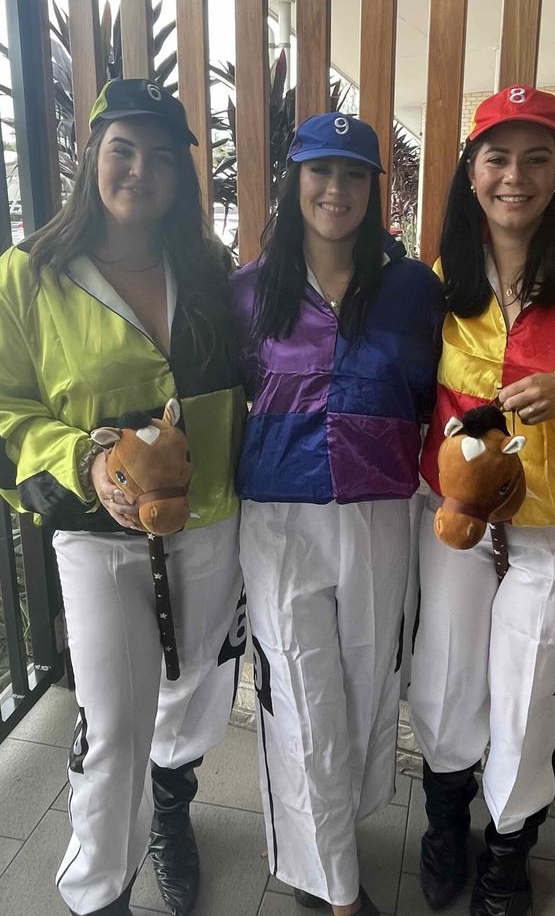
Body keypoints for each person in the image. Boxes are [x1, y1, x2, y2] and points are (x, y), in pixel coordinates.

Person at [0, 78, 247, 916]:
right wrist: (81, 460)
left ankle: (170, 816)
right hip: (98, 539)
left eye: (159, 156)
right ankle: (99, 893)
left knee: (196, 694)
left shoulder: (209, 268)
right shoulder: (29, 275)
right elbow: (5, 407)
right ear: (91, 160)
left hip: (210, 518)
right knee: (111, 728)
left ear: (181, 172)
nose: (139, 169)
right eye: (121, 150)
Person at [408, 85, 555, 916]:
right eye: (497, 157)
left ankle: (508, 854)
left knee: (534, 695)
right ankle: (445, 826)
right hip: (453, 524)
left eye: (536, 157)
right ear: (470, 172)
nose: (516, 175)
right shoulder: (443, 278)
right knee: (442, 679)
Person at [230, 112, 444, 916]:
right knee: (302, 691)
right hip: (280, 521)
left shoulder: (412, 289)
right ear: (295, 184)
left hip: (380, 512)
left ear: (373, 191)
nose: (336, 189)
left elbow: (430, 395)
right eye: (320, 172)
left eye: (354, 174)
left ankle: (320, 836)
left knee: (362, 686)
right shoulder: (249, 291)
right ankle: (334, 891)